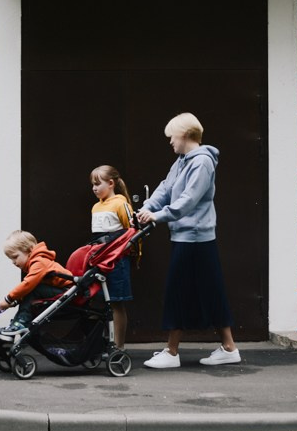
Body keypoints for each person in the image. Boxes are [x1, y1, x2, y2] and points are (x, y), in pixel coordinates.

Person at [136, 112, 241, 368]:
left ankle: (172, 353)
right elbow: (166, 188)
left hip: (194, 236)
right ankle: (229, 348)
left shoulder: (202, 162)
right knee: (210, 289)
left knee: (178, 290)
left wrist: (157, 216)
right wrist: (147, 208)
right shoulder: (182, 160)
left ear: (184, 135)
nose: (170, 141)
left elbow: (188, 201)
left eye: (172, 136)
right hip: (186, 235)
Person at [0, 230, 73, 337]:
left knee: (33, 289)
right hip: (59, 291)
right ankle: (15, 325)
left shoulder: (40, 262)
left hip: (67, 292)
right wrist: (14, 302)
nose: (13, 262)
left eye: (15, 257)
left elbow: (27, 285)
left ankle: (20, 324)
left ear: (29, 251)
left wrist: (8, 299)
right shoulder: (37, 263)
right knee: (33, 289)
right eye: (11, 259)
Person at [90, 165, 134, 350]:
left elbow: (131, 232)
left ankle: (119, 346)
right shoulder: (96, 207)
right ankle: (105, 342)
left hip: (116, 261)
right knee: (102, 303)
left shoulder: (120, 202)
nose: (94, 188)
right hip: (99, 260)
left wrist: (128, 252)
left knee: (116, 303)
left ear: (111, 183)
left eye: (97, 184)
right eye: (92, 184)